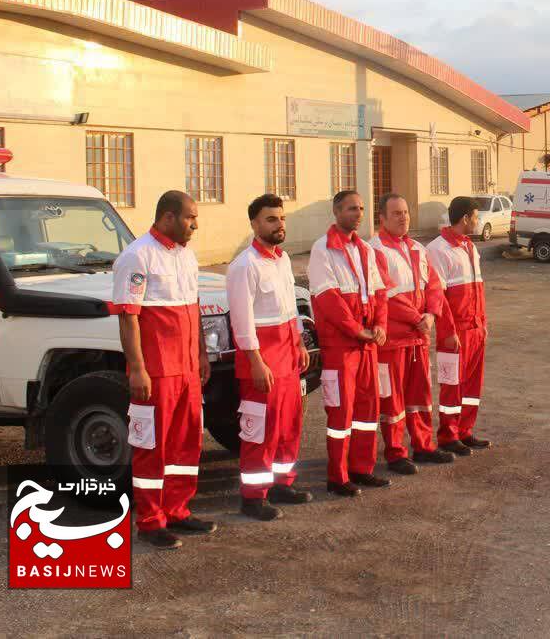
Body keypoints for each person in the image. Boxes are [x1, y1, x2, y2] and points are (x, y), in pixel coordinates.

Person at [112, 190, 217, 549]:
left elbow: (194, 307)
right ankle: (150, 520)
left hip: (187, 370)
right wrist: (138, 370)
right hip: (157, 372)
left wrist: (201, 355)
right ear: (168, 217)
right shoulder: (137, 256)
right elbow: (129, 318)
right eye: (190, 217)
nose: (196, 225)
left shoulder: (187, 256)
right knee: (152, 446)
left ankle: (178, 510)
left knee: (187, 443)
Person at [225, 194, 314, 520]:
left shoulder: (282, 260)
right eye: (271, 219)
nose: (279, 225)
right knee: (259, 432)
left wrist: (300, 344)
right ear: (254, 224)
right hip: (262, 360)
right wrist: (255, 361)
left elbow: (290, 308)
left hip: (288, 357)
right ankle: (253, 497)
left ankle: (281, 484)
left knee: (289, 427)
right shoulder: (244, 266)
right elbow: (242, 320)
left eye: (282, 218)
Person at [308, 190, 390, 496]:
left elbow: (380, 293)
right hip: (341, 346)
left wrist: (379, 325)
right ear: (336, 211)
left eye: (361, 208)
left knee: (368, 409)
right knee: (340, 412)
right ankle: (337, 476)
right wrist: (357, 330)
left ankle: (361, 468)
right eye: (351, 209)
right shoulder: (323, 249)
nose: (358, 214)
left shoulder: (365, 250)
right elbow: (328, 299)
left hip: (367, 343)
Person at [369, 193, 455, 474]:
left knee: (420, 395)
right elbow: (386, 293)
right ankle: (395, 453)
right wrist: (417, 317)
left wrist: (430, 316)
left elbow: (434, 286)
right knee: (392, 400)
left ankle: (423, 445)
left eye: (405, 212)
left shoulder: (419, 248)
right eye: (396, 213)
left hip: (419, 337)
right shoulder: (375, 249)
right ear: (381, 218)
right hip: (392, 341)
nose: (403, 217)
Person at [426, 196, 491, 456]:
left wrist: (483, 323)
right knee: (452, 384)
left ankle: (465, 431)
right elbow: (437, 296)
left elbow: (478, 290)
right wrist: (449, 332)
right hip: (456, 332)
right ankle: (448, 435)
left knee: (472, 385)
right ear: (465, 218)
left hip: (475, 328)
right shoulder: (438, 250)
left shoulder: (470, 248)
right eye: (476, 216)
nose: (478, 221)